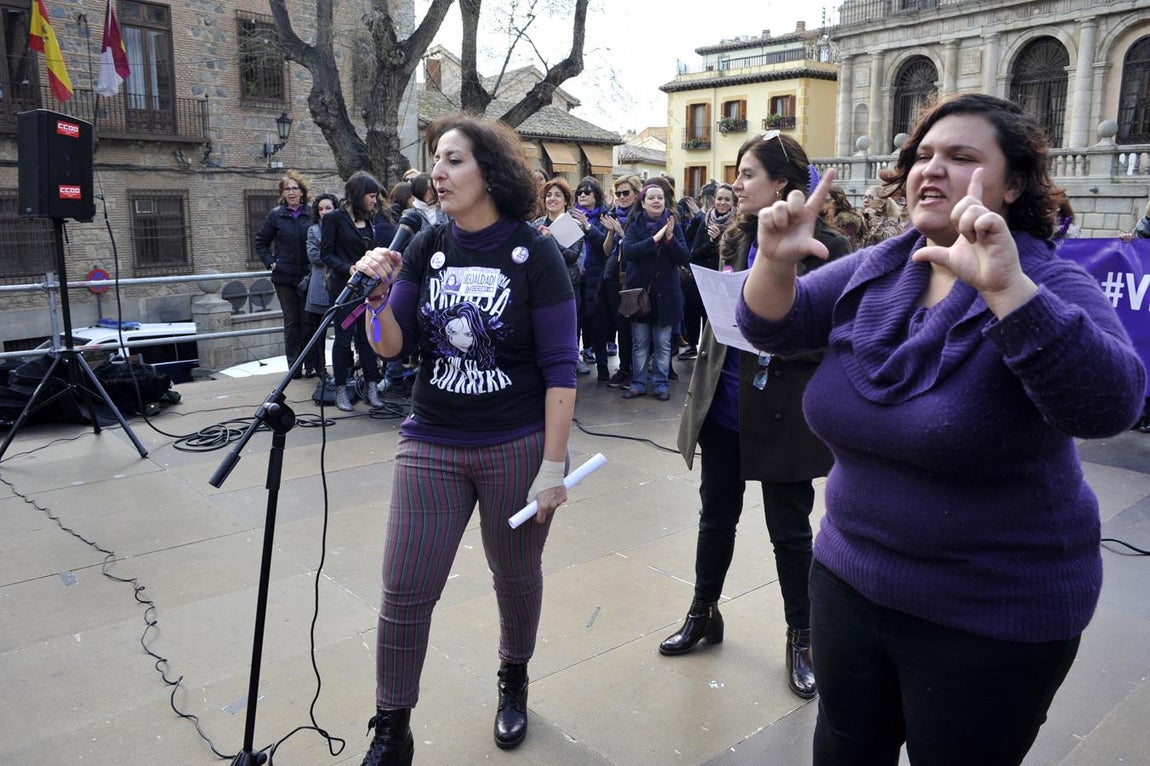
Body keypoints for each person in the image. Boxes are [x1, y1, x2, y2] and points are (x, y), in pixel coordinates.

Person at [737, 93, 1145, 765]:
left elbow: (1109, 407)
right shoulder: (881, 266)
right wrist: (774, 263)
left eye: (960, 156)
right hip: (848, 582)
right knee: (843, 748)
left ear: (1011, 185)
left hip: (990, 615)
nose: (931, 168)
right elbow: (772, 326)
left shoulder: (1046, 278)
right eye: (923, 154)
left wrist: (1007, 293)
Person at [348, 113, 578, 765]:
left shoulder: (535, 253)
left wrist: (552, 467)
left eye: (454, 160)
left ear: (490, 172)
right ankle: (392, 728)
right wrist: (377, 299)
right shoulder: (427, 245)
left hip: (516, 445)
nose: (438, 173)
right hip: (432, 442)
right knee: (404, 588)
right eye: (436, 161)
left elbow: (561, 369)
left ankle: (513, 677)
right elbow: (390, 348)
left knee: (515, 576)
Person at [664, 135, 848, 703]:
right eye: (737, 174)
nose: (736, 184)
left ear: (782, 184)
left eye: (748, 174)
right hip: (725, 403)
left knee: (790, 532)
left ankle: (802, 638)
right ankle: (703, 612)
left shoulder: (830, 245)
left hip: (784, 409)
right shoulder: (737, 236)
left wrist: (778, 329)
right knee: (715, 517)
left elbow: (839, 335)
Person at [320, 171, 395, 412]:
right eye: (371, 196)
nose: (375, 200)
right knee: (343, 340)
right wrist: (349, 268)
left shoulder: (371, 220)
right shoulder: (334, 219)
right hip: (344, 289)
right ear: (359, 194)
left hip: (367, 290)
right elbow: (326, 254)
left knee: (368, 338)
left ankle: (371, 388)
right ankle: (341, 389)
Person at [620, 180, 689, 401]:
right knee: (639, 344)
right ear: (643, 203)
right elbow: (629, 252)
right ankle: (638, 383)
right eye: (651, 198)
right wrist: (655, 239)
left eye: (660, 197)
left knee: (663, 344)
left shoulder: (673, 225)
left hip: (666, 295)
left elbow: (684, 257)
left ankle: (660, 384)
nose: (656, 201)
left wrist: (669, 239)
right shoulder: (635, 225)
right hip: (640, 295)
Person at [254, 171, 312, 377]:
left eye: (295, 188)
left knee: (308, 322)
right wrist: (272, 263)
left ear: (302, 191)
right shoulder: (276, 215)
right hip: (284, 278)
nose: (291, 192)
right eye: (287, 189)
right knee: (292, 323)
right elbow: (261, 242)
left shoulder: (311, 213)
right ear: (282, 193)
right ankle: (294, 368)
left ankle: (311, 366)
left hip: (308, 276)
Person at [533, 177, 591, 375]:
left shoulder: (572, 224)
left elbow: (572, 256)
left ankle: (573, 358)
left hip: (568, 282)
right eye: (548, 195)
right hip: (542, 283)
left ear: (566, 200)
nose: (552, 199)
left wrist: (551, 240)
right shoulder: (537, 224)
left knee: (571, 324)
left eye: (557, 195)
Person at [680, 183, 736, 360]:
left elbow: (734, 253)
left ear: (733, 202)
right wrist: (711, 242)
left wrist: (720, 240)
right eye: (719, 198)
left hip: (721, 278)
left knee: (712, 316)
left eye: (727, 199)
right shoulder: (705, 221)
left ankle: (710, 350)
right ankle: (692, 345)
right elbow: (695, 253)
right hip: (700, 276)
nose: (722, 203)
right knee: (692, 311)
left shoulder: (737, 224)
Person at [601, 175, 643, 387]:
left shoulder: (641, 217)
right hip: (614, 276)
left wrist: (620, 231)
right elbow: (607, 250)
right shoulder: (613, 215)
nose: (622, 197)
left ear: (636, 194)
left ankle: (633, 370)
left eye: (626, 193)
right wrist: (611, 233)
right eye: (618, 194)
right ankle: (625, 367)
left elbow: (637, 248)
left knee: (634, 326)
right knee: (620, 323)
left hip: (634, 276)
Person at [571, 177, 611, 379]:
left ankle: (603, 367)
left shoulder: (604, 216)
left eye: (587, 192)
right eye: (579, 192)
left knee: (598, 323)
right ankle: (574, 363)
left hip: (597, 278)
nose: (582, 195)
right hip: (576, 278)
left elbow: (605, 247)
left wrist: (587, 226)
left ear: (597, 195)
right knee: (575, 322)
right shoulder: (570, 217)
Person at [301, 192, 339, 379]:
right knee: (318, 331)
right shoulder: (314, 230)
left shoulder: (343, 227)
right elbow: (314, 257)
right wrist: (336, 258)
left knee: (344, 329)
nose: (324, 212)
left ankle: (345, 368)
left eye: (328, 208)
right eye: (321, 209)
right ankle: (320, 369)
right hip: (320, 284)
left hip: (340, 282)